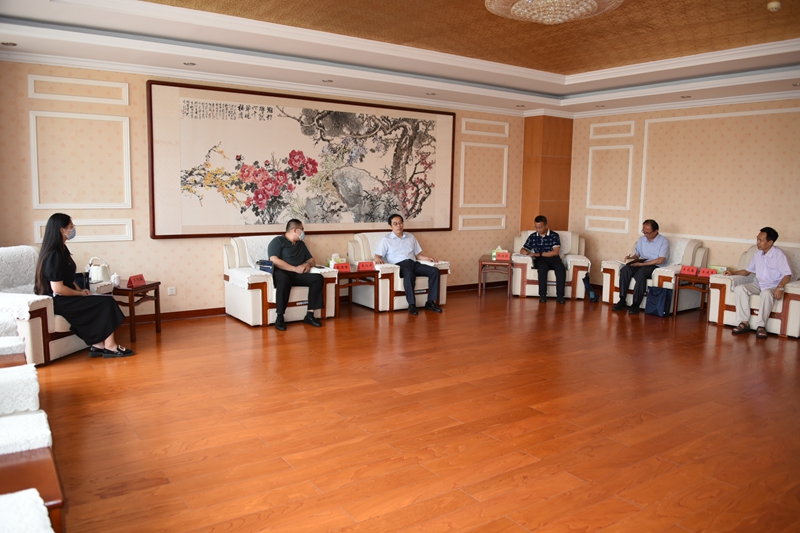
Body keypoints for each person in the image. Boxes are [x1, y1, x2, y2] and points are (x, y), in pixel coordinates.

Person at [34, 213, 134, 358]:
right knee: (107, 303)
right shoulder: (53, 254)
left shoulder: (62, 249)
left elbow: (68, 278)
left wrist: (81, 290)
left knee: (102, 299)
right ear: (62, 230)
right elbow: (58, 288)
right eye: (71, 227)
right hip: (57, 300)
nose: (73, 229)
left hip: (65, 296)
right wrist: (79, 294)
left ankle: (98, 345)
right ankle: (110, 346)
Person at [726, 227, 793, 339]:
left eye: (761, 240)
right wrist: (733, 272)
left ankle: (761, 326)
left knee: (766, 293)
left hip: (773, 286)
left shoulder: (779, 255)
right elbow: (747, 271)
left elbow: (787, 275)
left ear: (770, 242)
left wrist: (780, 287)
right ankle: (744, 322)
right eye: (757, 239)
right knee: (740, 288)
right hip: (759, 284)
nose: (758, 242)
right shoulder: (757, 254)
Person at [373, 214, 442, 315]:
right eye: (395, 224)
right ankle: (412, 305)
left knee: (434, 271)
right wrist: (377, 259)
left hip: (413, 263)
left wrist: (427, 258)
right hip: (399, 266)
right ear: (390, 226)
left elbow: (417, 255)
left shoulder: (410, 237)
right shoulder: (386, 240)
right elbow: (377, 256)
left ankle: (430, 302)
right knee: (409, 274)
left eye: (400, 223)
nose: (398, 226)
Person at [268, 219, 324, 331]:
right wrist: (294, 268)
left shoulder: (301, 245)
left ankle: (309, 315)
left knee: (318, 278)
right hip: (282, 272)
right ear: (295, 230)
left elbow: (312, 260)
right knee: (284, 279)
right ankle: (279, 317)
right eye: (302, 229)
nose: (303, 232)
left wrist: (307, 265)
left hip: (297, 274)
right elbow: (274, 260)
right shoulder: (277, 241)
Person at [612, 219, 669, 315]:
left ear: (656, 231)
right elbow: (637, 255)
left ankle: (635, 304)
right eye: (644, 232)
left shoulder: (664, 241)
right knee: (625, 269)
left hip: (654, 267)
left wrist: (642, 265)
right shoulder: (641, 240)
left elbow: (660, 260)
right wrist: (630, 259)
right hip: (641, 263)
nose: (645, 234)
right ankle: (622, 300)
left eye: (648, 232)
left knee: (641, 273)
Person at [519, 215, 566, 304]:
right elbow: (522, 249)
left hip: (554, 259)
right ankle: (542, 295)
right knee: (542, 268)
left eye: (540, 227)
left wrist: (540, 253)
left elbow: (555, 252)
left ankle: (560, 296)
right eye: (536, 227)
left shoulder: (554, 235)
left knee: (560, 269)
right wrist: (526, 252)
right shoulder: (533, 236)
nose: (538, 230)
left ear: (546, 225)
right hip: (540, 260)